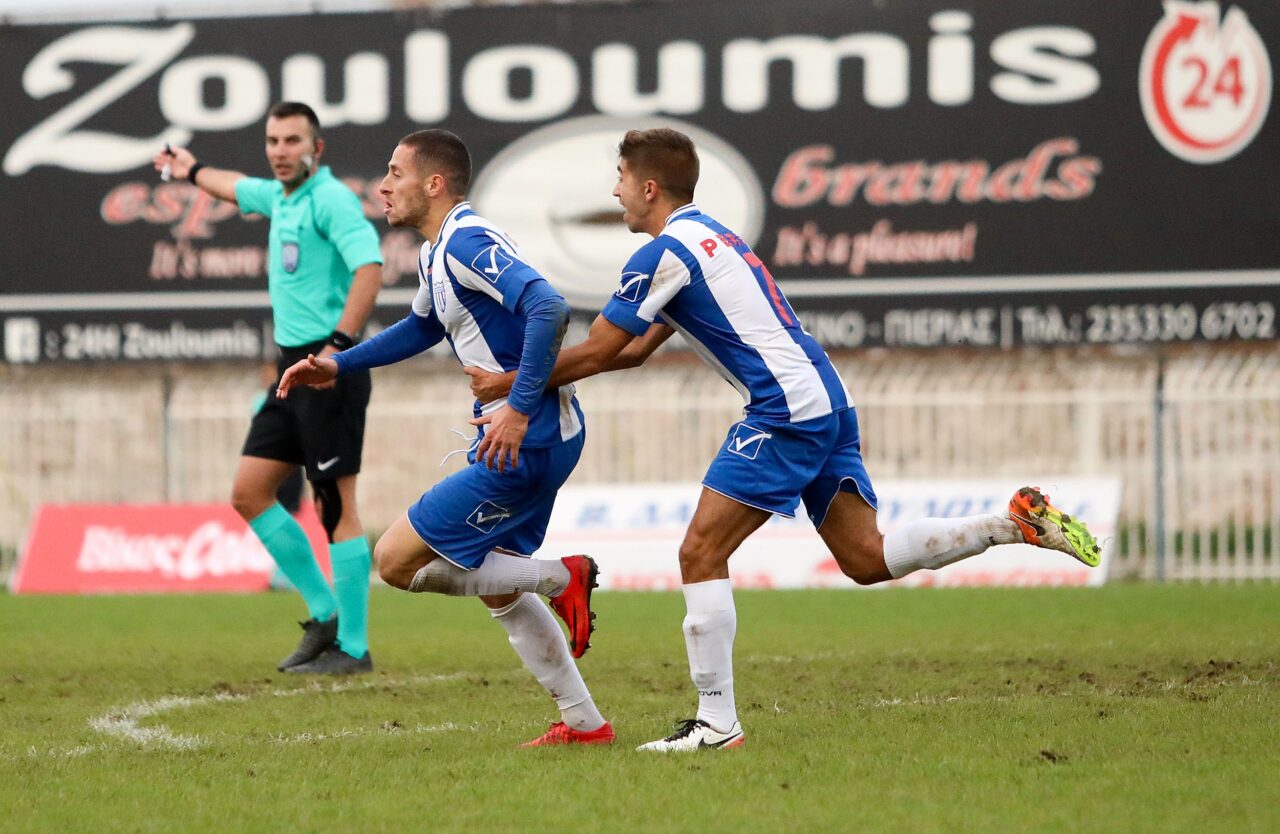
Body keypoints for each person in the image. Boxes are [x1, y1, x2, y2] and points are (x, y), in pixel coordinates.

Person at [465, 127, 1102, 752]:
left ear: (650, 187)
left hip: (784, 409)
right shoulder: (712, 236)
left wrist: (510, 385)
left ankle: (717, 724)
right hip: (826, 397)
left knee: (700, 552)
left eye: (622, 180)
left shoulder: (663, 254)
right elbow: (630, 353)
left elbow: (603, 348)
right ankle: (1010, 525)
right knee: (865, 558)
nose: (616, 193)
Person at [276, 129, 614, 748]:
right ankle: (585, 724)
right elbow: (422, 327)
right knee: (498, 587)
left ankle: (560, 578)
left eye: (395, 172)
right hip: (536, 435)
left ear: (433, 184)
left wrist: (517, 407)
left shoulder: (465, 241)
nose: (383, 186)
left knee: (395, 562)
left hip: (525, 440)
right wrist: (338, 364)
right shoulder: (439, 251)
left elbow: (549, 308)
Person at [153, 102, 383, 675]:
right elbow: (232, 186)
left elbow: (370, 267)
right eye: (273, 140)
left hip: (328, 368)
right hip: (289, 370)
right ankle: (324, 614)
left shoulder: (330, 199)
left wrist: (337, 345)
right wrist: (190, 169)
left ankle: (354, 648)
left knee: (334, 505)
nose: (280, 150)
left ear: (316, 148)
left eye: (291, 140)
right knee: (249, 492)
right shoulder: (280, 197)